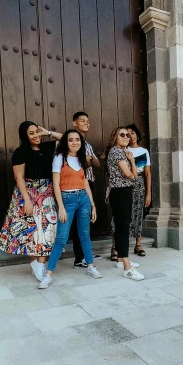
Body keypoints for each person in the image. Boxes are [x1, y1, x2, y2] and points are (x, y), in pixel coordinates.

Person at [0, 121, 62, 281]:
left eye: (37, 132)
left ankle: (40, 263)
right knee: (32, 231)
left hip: (47, 193)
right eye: (31, 133)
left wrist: (47, 132)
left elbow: (65, 138)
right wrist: (27, 200)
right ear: (24, 136)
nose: (36, 136)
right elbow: (18, 176)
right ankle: (38, 264)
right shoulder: (21, 151)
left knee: (46, 230)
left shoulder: (47, 147)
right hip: (28, 192)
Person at [39, 129, 102, 288]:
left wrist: (93, 205)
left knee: (84, 235)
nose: (75, 142)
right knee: (61, 238)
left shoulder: (82, 159)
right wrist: (60, 207)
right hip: (67, 200)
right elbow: (56, 184)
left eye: (77, 140)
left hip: (83, 199)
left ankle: (90, 266)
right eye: (71, 139)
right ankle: (48, 274)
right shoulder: (59, 158)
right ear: (66, 142)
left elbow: (86, 183)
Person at [106, 126, 144, 281]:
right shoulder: (116, 152)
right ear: (115, 136)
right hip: (120, 192)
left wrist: (132, 160)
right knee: (122, 227)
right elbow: (130, 174)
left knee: (124, 225)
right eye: (122, 135)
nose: (126, 137)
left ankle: (122, 259)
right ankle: (127, 267)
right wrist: (131, 163)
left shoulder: (124, 153)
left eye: (128, 135)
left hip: (125, 191)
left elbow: (133, 176)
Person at [110, 124, 151, 259]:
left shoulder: (143, 151)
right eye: (125, 134)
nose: (129, 136)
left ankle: (137, 245)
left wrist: (148, 193)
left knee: (137, 214)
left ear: (137, 135)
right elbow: (126, 173)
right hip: (124, 186)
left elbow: (147, 173)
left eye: (131, 133)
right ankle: (116, 248)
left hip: (138, 184)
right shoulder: (121, 151)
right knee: (121, 219)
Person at [68, 112, 102, 269]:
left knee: (87, 219)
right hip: (77, 186)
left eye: (88, 121)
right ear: (75, 123)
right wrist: (87, 159)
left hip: (89, 183)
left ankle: (86, 252)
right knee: (77, 222)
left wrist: (90, 158)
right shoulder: (71, 141)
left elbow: (96, 163)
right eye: (82, 121)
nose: (86, 123)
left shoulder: (87, 144)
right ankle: (79, 257)